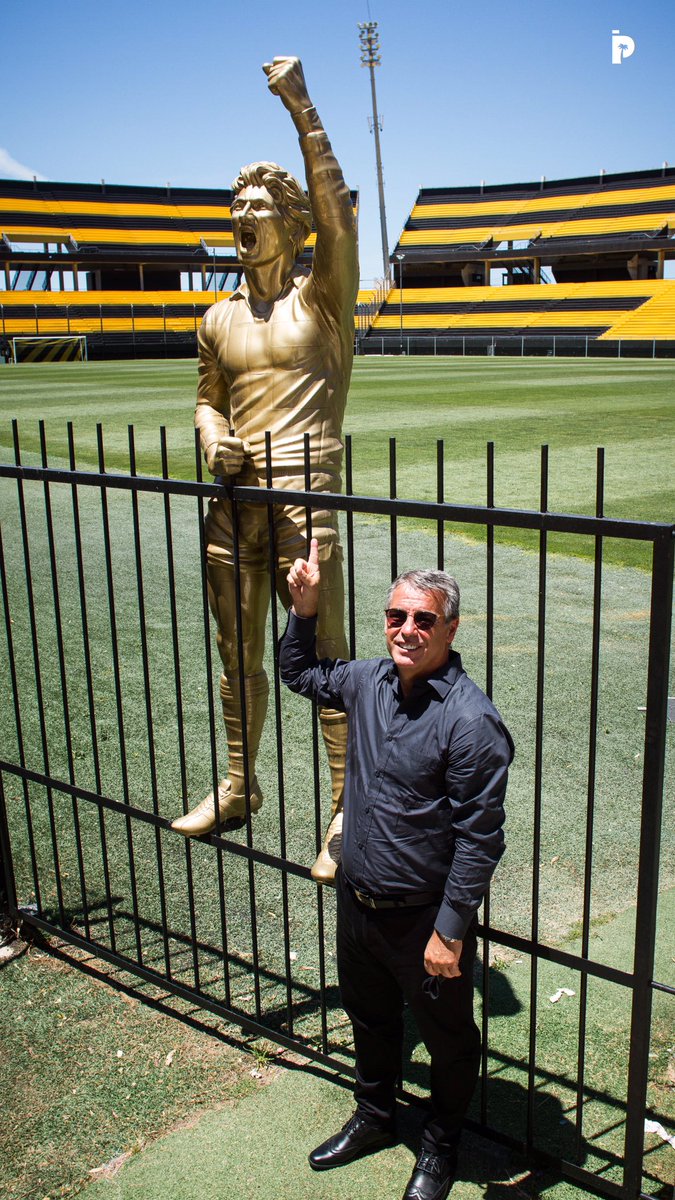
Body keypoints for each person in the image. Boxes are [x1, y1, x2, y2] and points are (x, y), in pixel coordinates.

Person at [279, 540, 514, 1200]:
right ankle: (376, 1118)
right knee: (369, 1019)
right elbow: (298, 675)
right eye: (394, 617)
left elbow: (479, 839)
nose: (405, 630)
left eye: (422, 619)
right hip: (357, 904)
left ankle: (439, 1149)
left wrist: (449, 930)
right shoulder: (366, 681)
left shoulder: (470, 722)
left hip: (422, 921)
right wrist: (302, 612)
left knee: (449, 1042)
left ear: (450, 628)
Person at [171, 57, 357, 884]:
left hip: (304, 498)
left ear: (288, 223)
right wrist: (213, 437)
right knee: (234, 651)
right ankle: (240, 785)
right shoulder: (215, 317)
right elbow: (205, 401)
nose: (243, 216)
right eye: (236, 207)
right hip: (231, 501)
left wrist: (302, 106)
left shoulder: (321, 299)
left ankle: (345, 810)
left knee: (324, 654)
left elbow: (338, 213)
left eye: (258, 208)